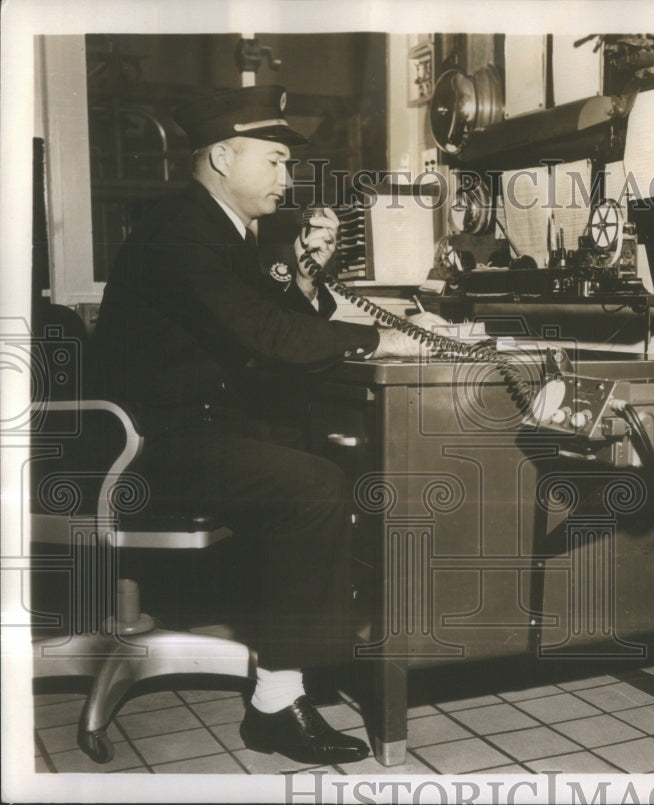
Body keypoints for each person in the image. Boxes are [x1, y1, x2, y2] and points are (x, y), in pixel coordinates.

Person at [92, 85, 445, 765]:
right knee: (313, 486)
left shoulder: (220, 228)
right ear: (223, 156)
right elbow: (261, 332)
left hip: (186, 428)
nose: (288, 177)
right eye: (277, 160)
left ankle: (313, 652)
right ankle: (276, 704)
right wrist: (379, 340)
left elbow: (270, 323)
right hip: (145, 447)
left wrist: (315, 287)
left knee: (319, 457)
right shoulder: (181, 229)